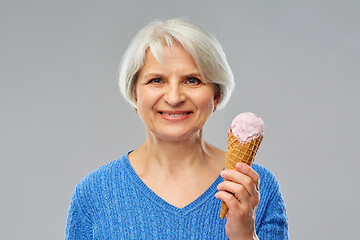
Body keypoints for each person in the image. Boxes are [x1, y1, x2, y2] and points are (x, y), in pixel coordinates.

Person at [65, 18, 289, 239]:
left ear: (216, 95)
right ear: (134, 94)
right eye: (156, 80)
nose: (173, 98)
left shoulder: (256, 187)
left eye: (192, 80)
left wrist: (245, 235)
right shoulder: (93, 193)